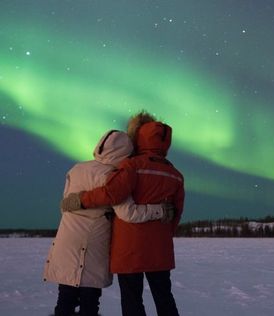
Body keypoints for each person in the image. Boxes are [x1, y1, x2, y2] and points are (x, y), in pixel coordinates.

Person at [62, 111, 185, 316]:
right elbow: (177, 213)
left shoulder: (131, 166)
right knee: (164, 297)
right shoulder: (175, 174)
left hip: (130, 248)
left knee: (132, 299)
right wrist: (164, 236)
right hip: (160, 249)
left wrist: (81, 200)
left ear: (138, 137)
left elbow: (112, 193)